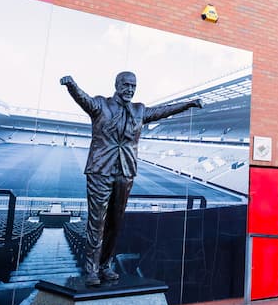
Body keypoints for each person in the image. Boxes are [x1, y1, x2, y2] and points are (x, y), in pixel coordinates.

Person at [61, 72, 202, 286]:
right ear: (116, 85)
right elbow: (84, 98)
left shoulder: (139, 110)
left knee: (115, 223)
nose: (130, 89)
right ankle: (91, 269)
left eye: (133, 86)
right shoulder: (101, 105)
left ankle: (105, 266)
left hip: (126, 171)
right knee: (97, 221)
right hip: (101, 169)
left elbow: (163, 111)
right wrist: (71, 85)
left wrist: (188, 104)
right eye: (126, 85)